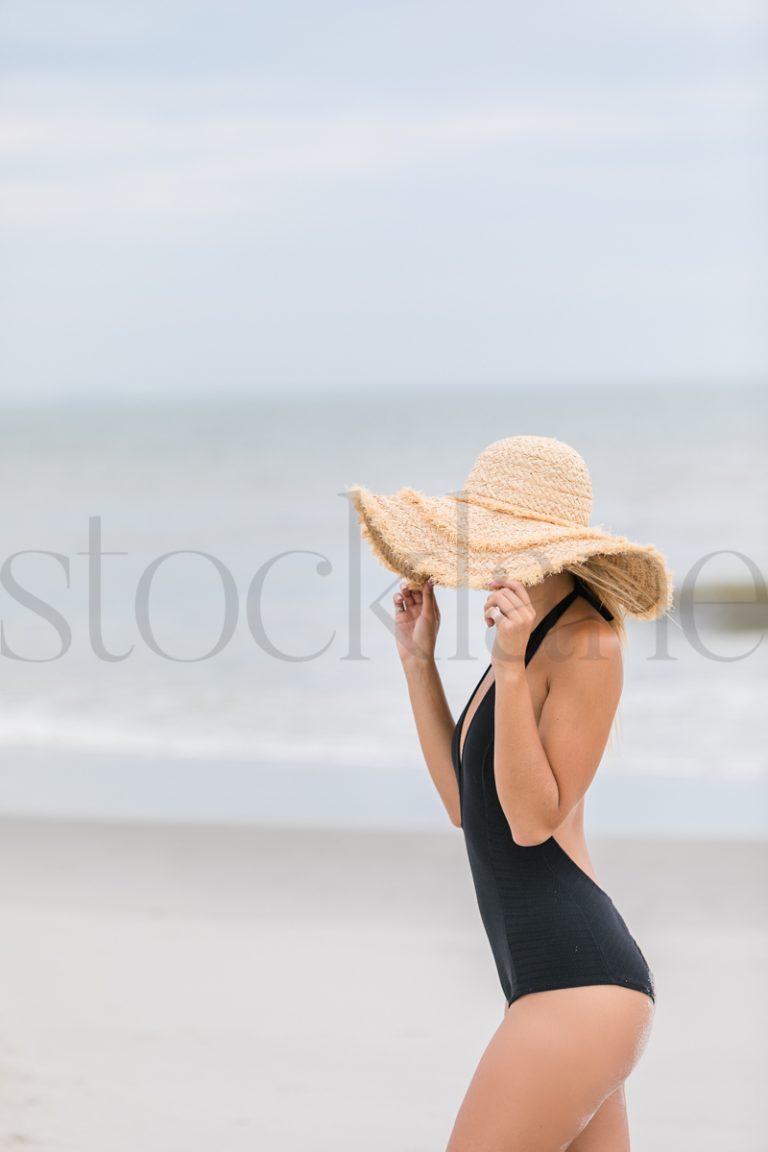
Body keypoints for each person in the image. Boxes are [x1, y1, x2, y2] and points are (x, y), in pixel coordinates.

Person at [346, 435, 673, 1152]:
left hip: (578, 980)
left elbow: (531, 822)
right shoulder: (526, 641)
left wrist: (513, 667)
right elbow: (468, 807)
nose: (484, 556)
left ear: (544, 545)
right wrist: (417, 661)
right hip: (550, 983)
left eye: (497, 538)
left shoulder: (587, 644)